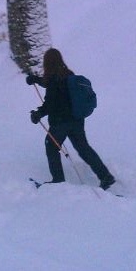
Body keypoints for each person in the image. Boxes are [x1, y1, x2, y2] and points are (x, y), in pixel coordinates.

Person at [27, 48, 116, 190]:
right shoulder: (68, 75)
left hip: (60, 123)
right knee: (83, 148)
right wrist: (36, 80)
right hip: (77, 120)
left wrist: (38, 114)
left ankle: (58, 181)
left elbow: (50, 103)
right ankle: (105, 176)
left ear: (47, 63)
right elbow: (51, 84)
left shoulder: (53, 80)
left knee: (51, 147)